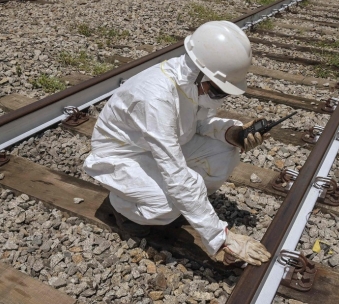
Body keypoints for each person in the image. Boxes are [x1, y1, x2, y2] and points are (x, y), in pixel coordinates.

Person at [83, 21, 271, 267]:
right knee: (165, 201)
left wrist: (232, 133)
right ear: (198, 73)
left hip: (156, 147)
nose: (218, 98)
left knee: (225, 151)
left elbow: (199, 123)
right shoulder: (156, 100)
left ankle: (186, 206)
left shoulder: (190, 84)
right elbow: (175, 172)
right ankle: (124, 211)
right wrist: (221, 237)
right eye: (217, 91)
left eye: (222, 93)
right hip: (123, 156)